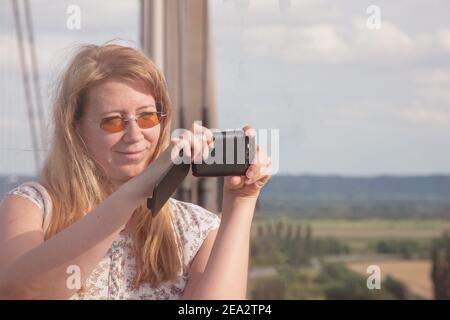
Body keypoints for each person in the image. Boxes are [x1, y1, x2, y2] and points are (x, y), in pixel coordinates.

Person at [0, 44, 271, 300]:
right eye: (113, 122)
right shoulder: (34, 208)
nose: (134, 135)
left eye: (147, 117)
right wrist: (134, 192)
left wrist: (240, 201)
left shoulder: (194, 230)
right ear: (76, 129)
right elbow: (18, 292)